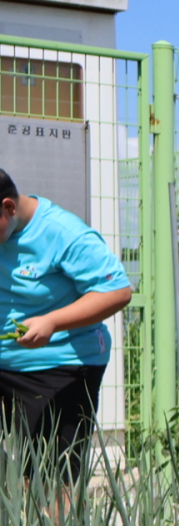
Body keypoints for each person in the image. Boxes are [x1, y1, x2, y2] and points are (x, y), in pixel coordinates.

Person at [0, 168, 133, 480]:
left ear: (8, 207)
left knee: (52, 479)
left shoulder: (64, 232)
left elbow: (117, 291)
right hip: (5, 364)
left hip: (60, 367)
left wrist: (52, 322)